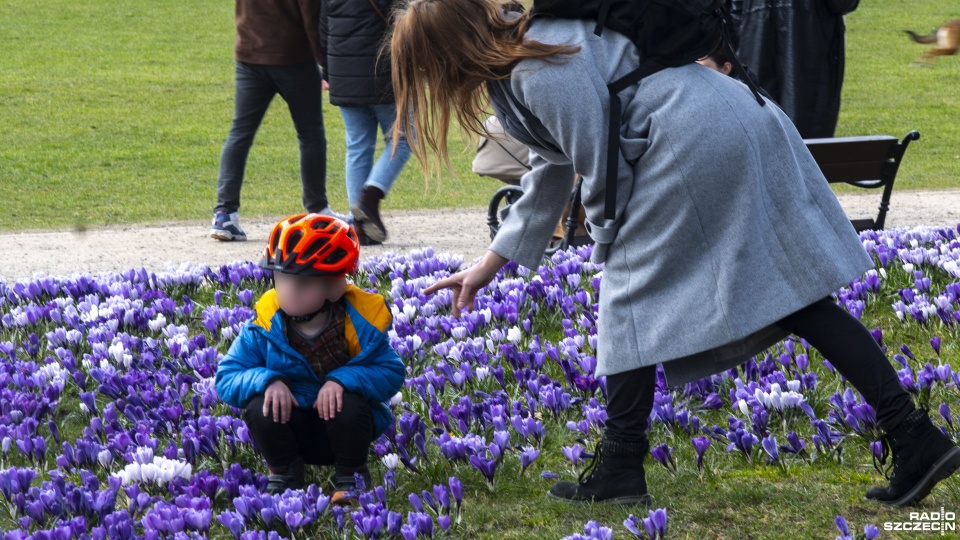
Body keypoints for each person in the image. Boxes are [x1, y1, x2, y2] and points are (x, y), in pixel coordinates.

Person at [392, 0, 960, 507]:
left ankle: (620, 466)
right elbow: (554, 163)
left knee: (631, 294)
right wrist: (492, 263)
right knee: (785, 296)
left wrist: (610, 241)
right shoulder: (528, 51)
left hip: (690, 139)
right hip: (718, 120)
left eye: (425, 65)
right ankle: (914, 436)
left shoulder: (535, 68)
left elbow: (598, 159)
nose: (429, 78)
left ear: (450, 49)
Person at [214, 213, 405, 502]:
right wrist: (267, 380)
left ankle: (351, 476)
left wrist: (342, 381)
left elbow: (391, 372)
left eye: (303, 283)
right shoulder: (262, 327)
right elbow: (226, 377)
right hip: (292, 427)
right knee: (258, 403)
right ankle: (285, 472)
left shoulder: (359, 324)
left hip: (344, 431)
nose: (289, 290)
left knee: (349, 402)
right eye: (281, 277)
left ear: (334, 285)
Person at [210, 0, 343, 242]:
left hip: (249, 53)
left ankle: (224, 213)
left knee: (240, 134)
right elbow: (311, 15)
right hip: (293, 58)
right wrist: (325, 62)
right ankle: (317, 209)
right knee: (310, 134)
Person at [320, 0, 412, 245]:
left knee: (358, 145)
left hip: (343, 73)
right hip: (383, 72)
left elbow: (323, 29)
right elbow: (406, 19)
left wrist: (329, 72)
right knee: (403, 139)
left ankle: (358, 224)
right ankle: (369, 198)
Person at [727, 0, 860, 138]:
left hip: (756, 47)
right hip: (810, 58)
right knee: (806, 139)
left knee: (761, 134)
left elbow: (730, 13)